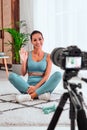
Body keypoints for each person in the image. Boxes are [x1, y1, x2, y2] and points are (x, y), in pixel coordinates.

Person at [8, 30, 61, 102]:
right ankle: (40, 95)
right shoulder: (27, 54)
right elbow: (23, 73)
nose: (38, 42)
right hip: (28, 87)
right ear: (31, 42)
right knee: (11, 76)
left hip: (43, 87)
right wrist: (24, 61)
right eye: (35, 40)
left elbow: (46, 76)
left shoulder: (48, 56)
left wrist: (35, 88)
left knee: (58, 75)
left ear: (43, 39)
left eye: (40, 39)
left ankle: (31, 96)